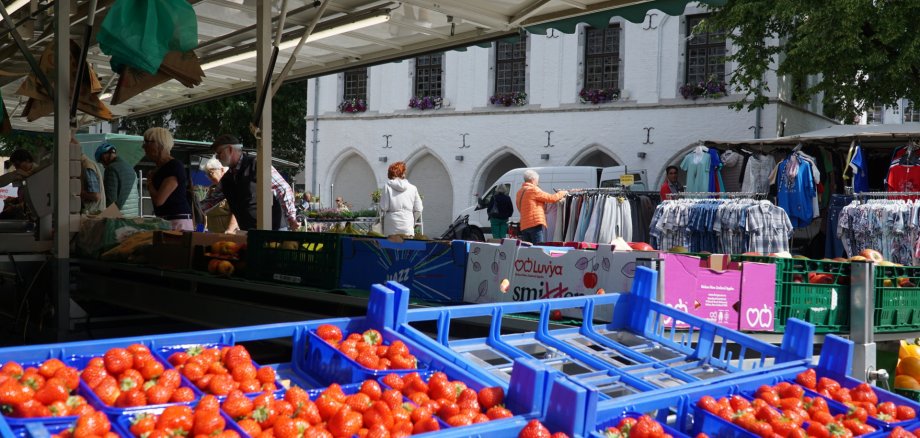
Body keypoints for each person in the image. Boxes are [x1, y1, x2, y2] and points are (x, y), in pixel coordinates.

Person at [201, 134, 299, 231]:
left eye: (219, 153)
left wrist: (291, 218)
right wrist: (195, 209)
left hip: (274, 229)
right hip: (249, 231)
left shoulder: (257, 165)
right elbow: (212, 200)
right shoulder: (227, 178)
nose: (217, 157)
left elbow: (282, 188)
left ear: (230, 149)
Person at [143, 127, 193, 230]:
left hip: (176, 222)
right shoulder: (161, 168)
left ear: (159, 144)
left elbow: (159, 200)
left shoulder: (174, 166)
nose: (144, 146)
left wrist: (150, 183)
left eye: (147, 142)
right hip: (166, 221)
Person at [515, 169, 567, 244]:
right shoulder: (533, 190)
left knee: (527, 248)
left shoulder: (520, 191)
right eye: (537, 180)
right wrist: (562, 193)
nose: (537, 182)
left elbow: (519, 207)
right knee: (538, 247)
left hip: (524, 224)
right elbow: (551, 198)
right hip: (534, 223)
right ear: (533, 179)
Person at [380, 161, 423, 237]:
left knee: (390, 244)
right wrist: (412, 219)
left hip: (391, 225)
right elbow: (419, 209)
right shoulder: (413, 188)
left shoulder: (387, 186)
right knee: (408, 244)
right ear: (403, 173)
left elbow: (384, 207)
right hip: (407, 224)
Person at [94, 142, 138, 215]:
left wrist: (104, 215)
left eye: (101, 162)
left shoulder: (111, 169)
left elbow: (111, 201)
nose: (103, 165)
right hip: (133, 214)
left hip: (121, 217)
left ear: (104, 156)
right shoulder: (129, 167)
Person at [200, 157, 238, 233]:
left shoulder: (232, 187)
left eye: (211, 173)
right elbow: (204, 210)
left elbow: (237, 211)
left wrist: (230, 230)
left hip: (229, 233)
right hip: (214, 233)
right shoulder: (213, 190)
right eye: (207, 174)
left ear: (222, 170)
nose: (209, 177)